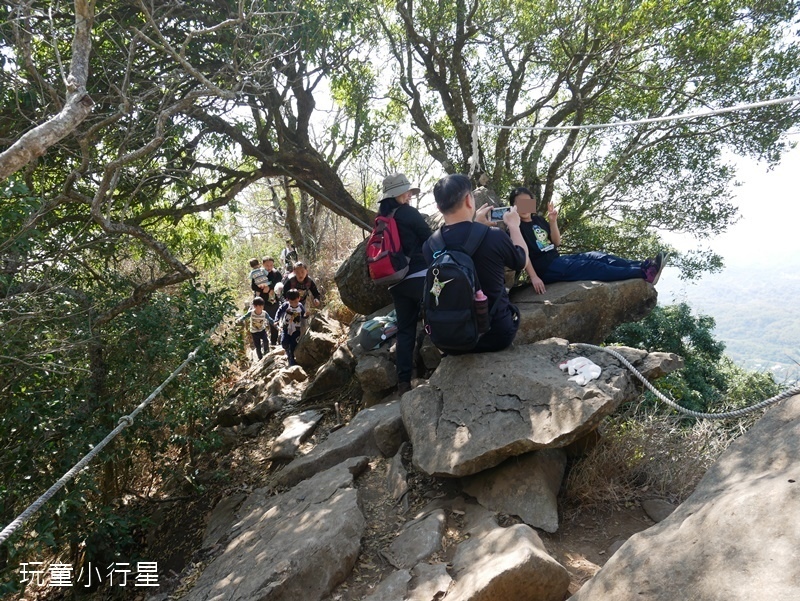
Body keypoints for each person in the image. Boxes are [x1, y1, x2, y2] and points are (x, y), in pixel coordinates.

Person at [423, 174, 529, 354]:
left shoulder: (430, 245)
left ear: (439, 207)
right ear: (468, 200)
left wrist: (476, 226)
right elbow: (522, 261)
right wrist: (514, 227)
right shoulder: (494, 235)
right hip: (495, 335)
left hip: (451, 339)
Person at [508, 186, 666, 294]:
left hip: (557, 260)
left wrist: (553, 221)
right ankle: (643, 274)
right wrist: (534, 277)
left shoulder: (538, 220)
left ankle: (644, 265)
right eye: (519, 203)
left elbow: (556, 243)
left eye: (527, 202)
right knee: (593, 266)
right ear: (513, 206)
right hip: (546, 268)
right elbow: (523, 254)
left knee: (597, 256)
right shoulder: (516, 226)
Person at [377, 173, 433, 394]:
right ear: (397, 194)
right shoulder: (408, 213)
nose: (409, 194)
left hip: (396, 282)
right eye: (406, 191)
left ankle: (403, 383)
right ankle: (448, 362)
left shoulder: (383, 218)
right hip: (419, 275)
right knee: (438, 314)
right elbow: (429, 238)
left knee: (405, 331)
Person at [252, 256, 283, 346]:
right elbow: (253, 286)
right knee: (259, 321)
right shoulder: (258, 273)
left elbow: (280, 283)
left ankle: (274, 341)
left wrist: (270, 287)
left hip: (273, 301)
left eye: (271, 265)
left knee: (273, 320)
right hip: (261, 302)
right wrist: (262, 289)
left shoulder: (276, 273)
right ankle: (261, 341)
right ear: (263, 265)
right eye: (267, 265)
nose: (269, 267)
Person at [274, 289, 309, 366]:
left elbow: (303, 315)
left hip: (296, 329)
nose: (293, 304)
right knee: (284, 342)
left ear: (299, 298)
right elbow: (279, 311)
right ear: (288, 300)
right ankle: (287, 350)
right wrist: (276, 320)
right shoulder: (286, 305)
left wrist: (306, 315)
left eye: (295, 302)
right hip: (286, 327)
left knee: (293, 344)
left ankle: (291, 358)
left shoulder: (300, 306)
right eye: (291, 302)